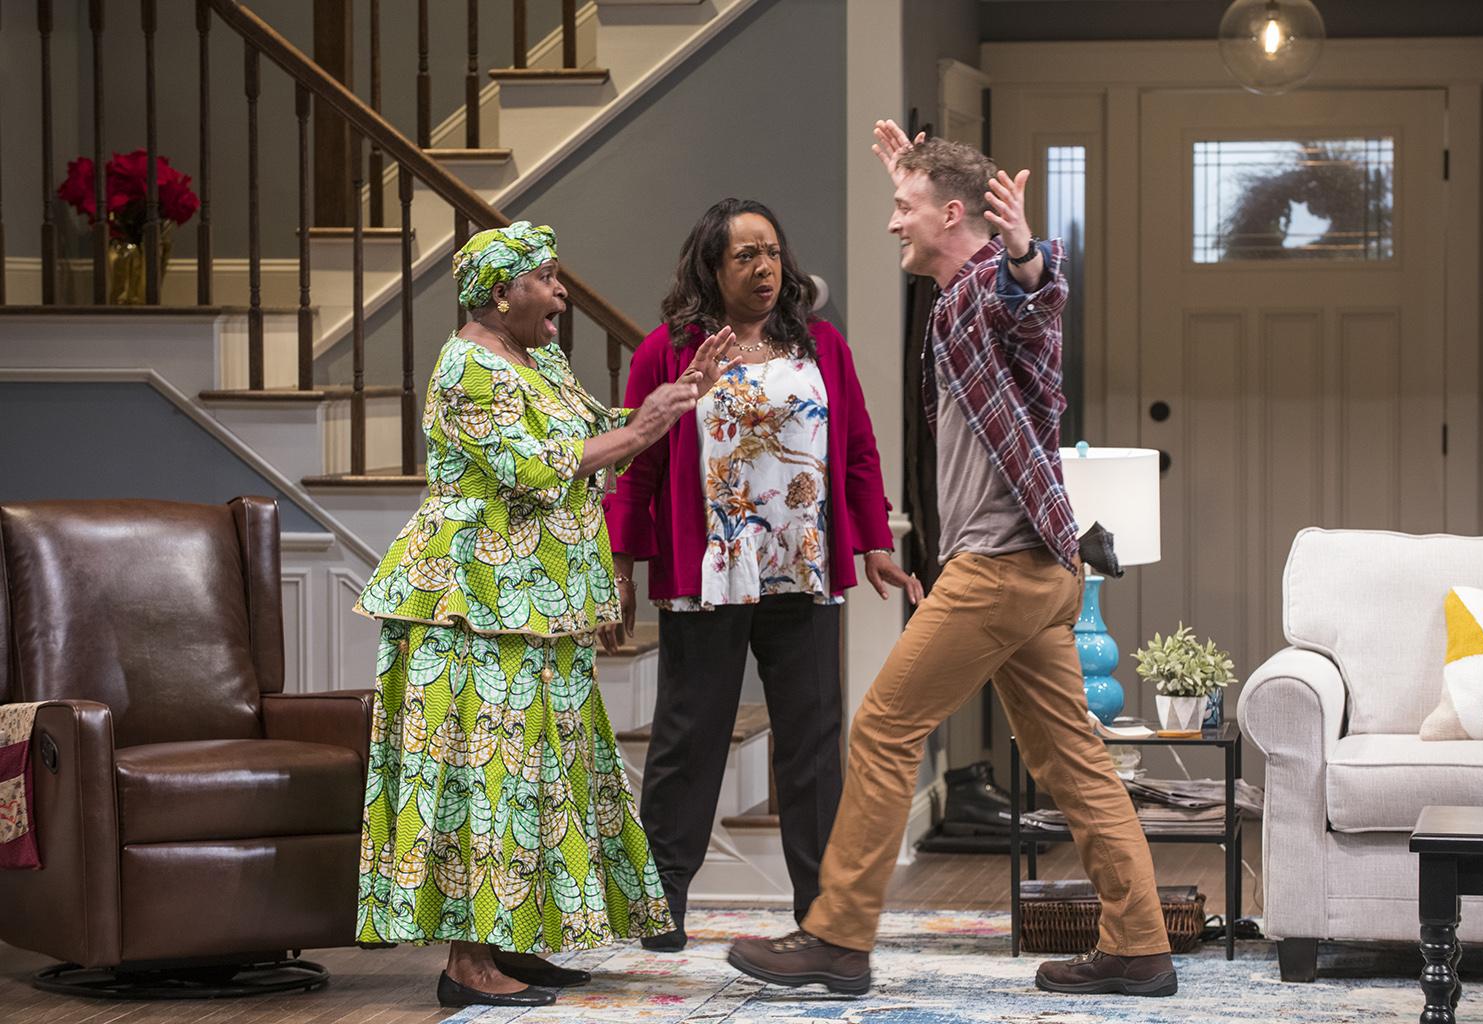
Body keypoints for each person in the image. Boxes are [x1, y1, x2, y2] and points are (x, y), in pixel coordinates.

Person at [725, 125, 1178, 998]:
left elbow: (1031, 312)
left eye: (904, 208)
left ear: (955, 215)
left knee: (886, 726)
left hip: (1001, 570)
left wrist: (1026, 258)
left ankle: (839, 937)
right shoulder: (950, 297)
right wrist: (911, 175)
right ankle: (1139, 945)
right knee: (1075, 761)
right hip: (1038, 570)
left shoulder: (980, 293)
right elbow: (992, 287)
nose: (893, 223)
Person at [352, 222, 737, 1009]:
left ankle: (516, 943)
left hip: (539, 600)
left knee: (540, 774)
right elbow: (536, 471)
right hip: (469, 602)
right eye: (548, 279)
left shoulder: (543, 361)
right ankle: (466, 963)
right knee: (481, 772)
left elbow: (599, 437)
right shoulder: (466, 369)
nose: (562, 294)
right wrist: (642, 427)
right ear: (501, 294)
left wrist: (672, 401)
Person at [601, 198, 918, 950]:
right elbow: (638, 466)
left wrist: (873, 541)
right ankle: (662, 905)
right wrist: (619, 561)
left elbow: (860, 452)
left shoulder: (824, 348)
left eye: (771, 251)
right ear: (711, 268)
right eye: (745, 255)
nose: (764, 267)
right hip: (706, 572)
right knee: (688, 738)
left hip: (802, 572)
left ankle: (820, 910)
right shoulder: (667, 351)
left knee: (811, 743)